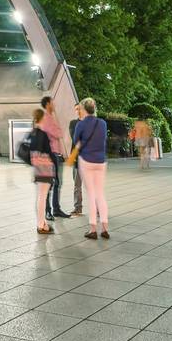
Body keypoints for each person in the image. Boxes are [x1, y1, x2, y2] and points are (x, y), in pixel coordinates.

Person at [71, 97, 110, 239]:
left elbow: (76, 142)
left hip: (87, 161)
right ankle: (105, 228)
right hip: (101, 161)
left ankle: (93, 229)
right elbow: (103, 139)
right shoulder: (103, 123)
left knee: (91, 194)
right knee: (100, 193)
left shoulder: (80, 124)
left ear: (83, 109)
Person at [25, 109, 57, 234]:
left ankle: (43, 223)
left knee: (40, 197)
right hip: (45, 169)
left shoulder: (32, 133)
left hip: (37, 168)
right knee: (42, 198)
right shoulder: (43, 134)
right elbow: (50, 153)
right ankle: (40, 225)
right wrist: (55, 164)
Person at [39, 96, 69, 220]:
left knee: (57, 183)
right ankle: (48, 211)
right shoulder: (45, 118)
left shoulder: (51, 118)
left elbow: (59, 133)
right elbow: (58, 133)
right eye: (52, 102)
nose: (54, 104)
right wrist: (57, 130)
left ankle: (56, 209)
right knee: (49, 184)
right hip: (49, 155)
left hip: (56, 154)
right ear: (47, 104)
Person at [69, 102, 86, 215]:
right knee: (77, 186)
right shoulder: (73, 123)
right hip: (77, 159)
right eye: (76, 109)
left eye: (79, 109)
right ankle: (78, 208)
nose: (78, 111)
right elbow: (75, 138)